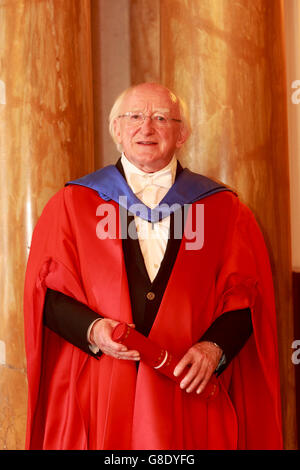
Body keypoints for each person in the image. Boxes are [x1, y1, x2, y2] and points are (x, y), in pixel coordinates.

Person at [24, 82, 283, 450]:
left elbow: (247, 295)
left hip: (186, 385)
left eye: (161, 118)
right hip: (105, 383)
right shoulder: (72, 203)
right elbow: (45, 293)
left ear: (182, 134)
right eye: (134, 117)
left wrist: (214, 348)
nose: (146, 128)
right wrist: (94, 330)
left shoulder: (224, 209)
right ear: (116, 129)